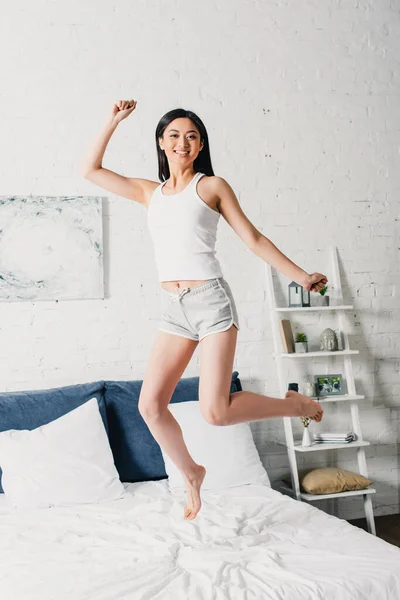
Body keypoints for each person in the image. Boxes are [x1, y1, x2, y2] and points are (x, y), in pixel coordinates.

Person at [81, 99, 328, 521]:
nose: (183, 142)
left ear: (200, 146)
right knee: (150, 407)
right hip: (173, 308)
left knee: (216, 411)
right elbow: (91, 170)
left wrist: (301, 276)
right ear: (161, 142)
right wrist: (113, 121)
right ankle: (191, 471)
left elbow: (253, 238)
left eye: (192, 136)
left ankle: (296, 405)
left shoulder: (211, 187)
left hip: (211, 303)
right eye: (174, 135)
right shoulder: (149, 193)